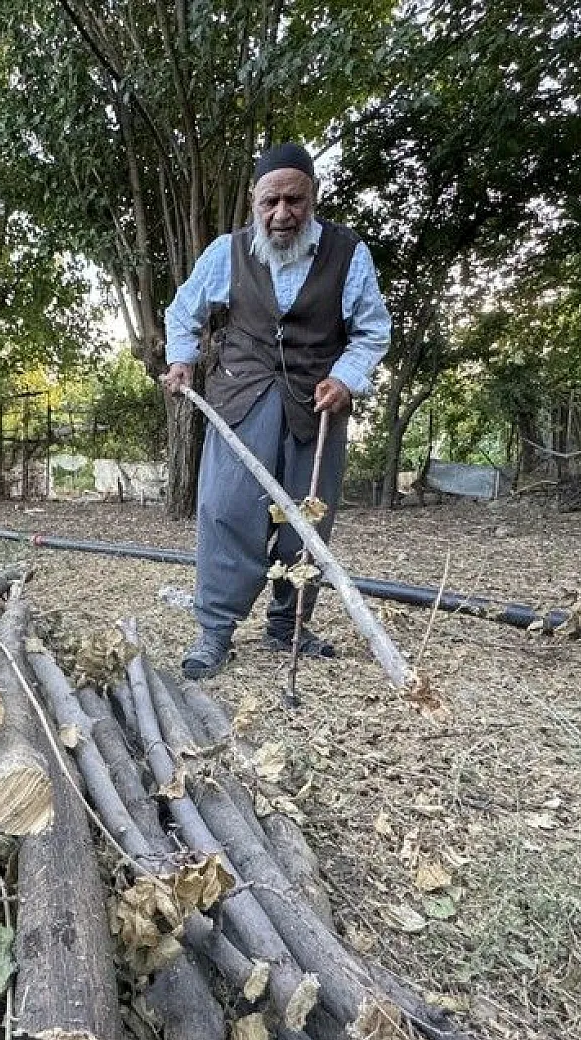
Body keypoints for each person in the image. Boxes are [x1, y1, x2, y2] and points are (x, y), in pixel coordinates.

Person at [161, 142, 391, 680]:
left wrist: (346, 378)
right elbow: (183, 311)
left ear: (313, 198)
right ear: (254, 201)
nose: (282, 214)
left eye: (295, 200)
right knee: (226, 510)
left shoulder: (347, 253)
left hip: (317, 405)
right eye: (270, 202)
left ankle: (289, 625)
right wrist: (181, 360)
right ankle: (215, 631)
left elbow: (372, 331)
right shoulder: (227, 252)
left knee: (308, 519)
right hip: (242, 400)